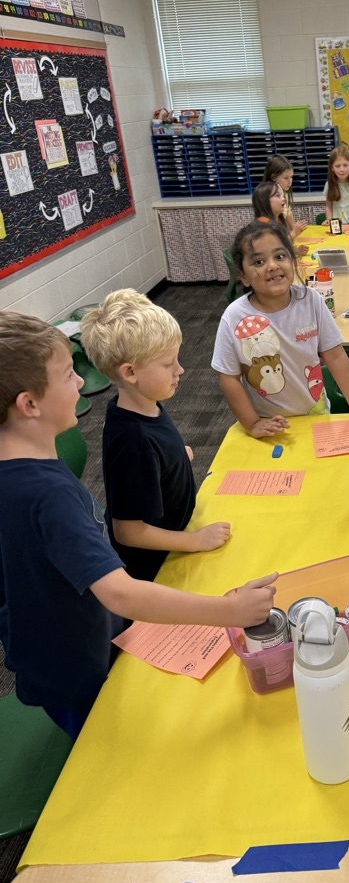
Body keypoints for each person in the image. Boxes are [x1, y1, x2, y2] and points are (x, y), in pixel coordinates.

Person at [0, 311, 279, 739]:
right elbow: (121, 593)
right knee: (115, 757)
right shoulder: (47, 494)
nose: (80, 383)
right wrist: (231, 611)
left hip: (64, 647)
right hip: (80, 668)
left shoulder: (23, 470)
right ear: (29, 404)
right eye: (68, 375)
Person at [79, 290, 227, 583]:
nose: (180, 369)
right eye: (168, 363)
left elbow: (149, 460)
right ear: (130, 372)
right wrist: (196, 541)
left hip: (177, 534)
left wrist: (173, 457)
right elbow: (128, 531)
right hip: (156, 566)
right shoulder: (133, 440)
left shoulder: (143, 405)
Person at [212, 221, 349, 437]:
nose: (273, 265)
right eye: (259, 261)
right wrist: (252, 423)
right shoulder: (234, 316)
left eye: (280, 256)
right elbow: (229, 377)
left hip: (315, 412)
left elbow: (334, 355)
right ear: (243, 276)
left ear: (292, 260)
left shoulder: (310, 299)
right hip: (268, 420)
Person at [253, 181, 308, 258]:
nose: (283, 199)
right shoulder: (263, 223)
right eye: (278, 196)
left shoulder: (278, 219)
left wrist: (295, 250)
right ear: (265, 201)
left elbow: (283, 246)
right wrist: (294, 233)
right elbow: (274, 246)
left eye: (282, 195)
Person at [263, 154, 308, 239]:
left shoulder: (284, 194)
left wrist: (294, 230)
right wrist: (294, 233)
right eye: (286, 178)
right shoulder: (269, 202)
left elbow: (288, 213)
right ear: (273, 177)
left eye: (291, 177)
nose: (290, 181)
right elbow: (275, 241)